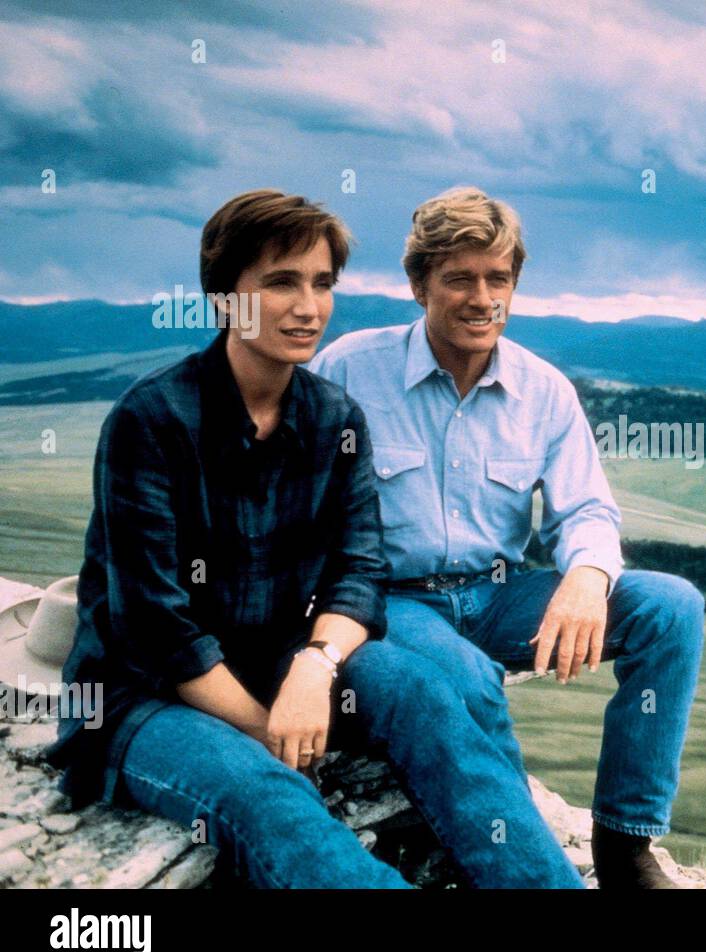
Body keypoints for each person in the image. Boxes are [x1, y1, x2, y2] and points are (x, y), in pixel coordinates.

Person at [45, 189, 585, 889]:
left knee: (424, 693)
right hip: (145, 700)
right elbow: (155, 625)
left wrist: (315, 665)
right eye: (280, 283)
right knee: (273, 798)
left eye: (322, 283)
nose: (308, 306)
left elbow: (358, 571)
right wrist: (269, 722)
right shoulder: (151, 420)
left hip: (278, 661)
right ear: (223, 298)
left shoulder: (333, 417)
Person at [309, 186, 706, 889]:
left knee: (671, 608)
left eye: (499, 278)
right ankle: (520, 863)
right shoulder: (347, 369)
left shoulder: (544, 390)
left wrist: (587, 577)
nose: (481, 297)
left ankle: (625, 847)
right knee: (467, 678)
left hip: (497, 596)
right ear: (418, 284)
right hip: (390, 602)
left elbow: (586, 509)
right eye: (459, 278)